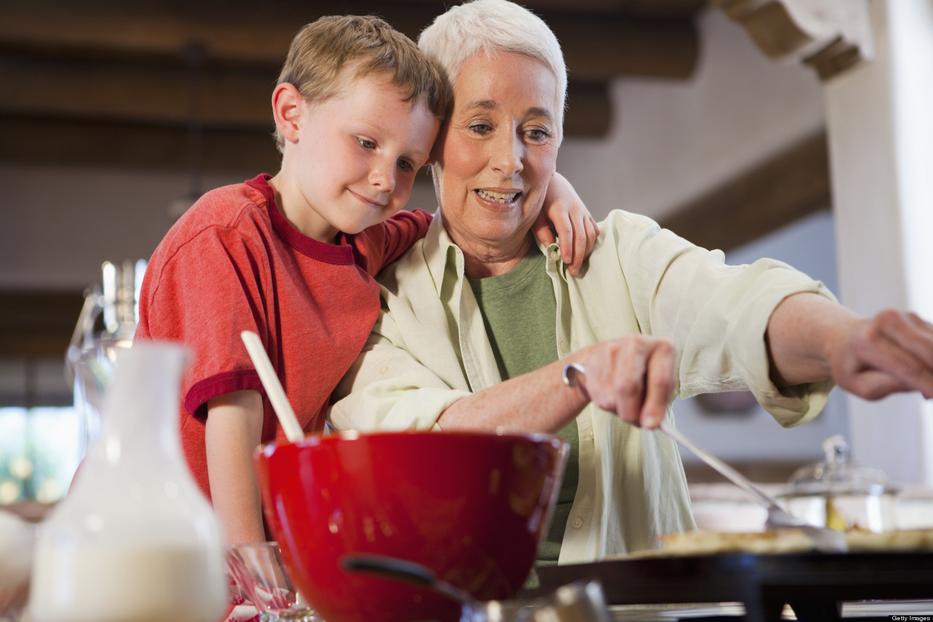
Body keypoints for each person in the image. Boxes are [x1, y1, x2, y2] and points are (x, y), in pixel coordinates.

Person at [330, 0, 933, 564]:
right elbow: (426, 446)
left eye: (536, 132)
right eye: (480, 126)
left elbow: (736, 307)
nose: (510, 160)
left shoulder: (619, 255)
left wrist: (841, 341)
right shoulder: (383, 299)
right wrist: (580, 374)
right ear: (433, 139)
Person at [136, 14, 596, 546]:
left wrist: (552, 186)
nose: (385, 178)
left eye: (407, 163)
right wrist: (253, 579)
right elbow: (233, 424)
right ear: (291, 114)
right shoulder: (224, 235)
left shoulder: (364, 242)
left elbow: (456, 223)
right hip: (163, 547)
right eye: (365, 142)